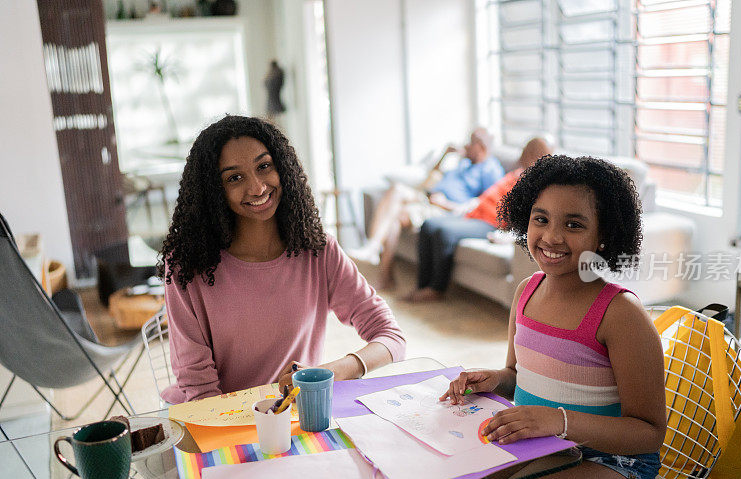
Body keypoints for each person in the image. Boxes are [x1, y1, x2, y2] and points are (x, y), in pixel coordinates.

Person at [398, 155, 666, 479]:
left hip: (610, 461)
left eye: (573, 224)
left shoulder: (621, 314)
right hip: (535, 437)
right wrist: (494, 379)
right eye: (541, 219)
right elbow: (515, 374)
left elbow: (649, 431)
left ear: (603, 234)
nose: (552, 237)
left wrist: (559, 421)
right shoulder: (527, 292)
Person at [158, 115, 405, 404]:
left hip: (287, 412)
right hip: (213, 416)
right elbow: (200, 392)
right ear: (213, 190)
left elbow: (391, 337)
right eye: (234, 177)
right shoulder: (187, 266)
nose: (258, 187)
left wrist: (334, 372)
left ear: (283, 168)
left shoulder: (318, 251)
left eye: (264, 166)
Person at [349, 128, 504, 290]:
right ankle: (374, 249)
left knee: (396, 216)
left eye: (470, 143)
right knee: (396, 190)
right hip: (428, 197)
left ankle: (381, 267)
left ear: (480, 147)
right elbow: (431, 177)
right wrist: (445, 155)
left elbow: (481, 206)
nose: (465, 146)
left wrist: (446, 204)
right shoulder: (464, 163)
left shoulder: (490, 169)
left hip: (445, 209)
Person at [405, 137, 552, 302]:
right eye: (527, 150)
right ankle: (422, 285)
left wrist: (509, 236)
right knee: (428, 225)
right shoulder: (516, 174)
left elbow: (525, 217)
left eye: (534, 152)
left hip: (489, 223)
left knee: (443, 233)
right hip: (475, 214)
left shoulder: (537, 184)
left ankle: (436, 289)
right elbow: (486, 196)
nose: (526, 155)